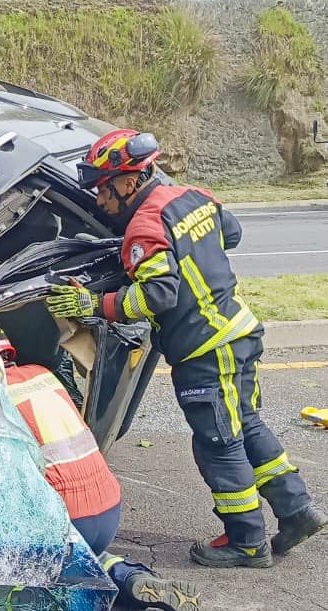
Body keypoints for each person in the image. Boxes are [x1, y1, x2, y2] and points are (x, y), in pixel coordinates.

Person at [45, 129, 327, 568]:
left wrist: (95, 304)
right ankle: (297, 510)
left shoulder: (143, 227)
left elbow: (157, 295)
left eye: (103, 189)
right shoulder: (194, 196)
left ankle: (247, 542)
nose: (100, 201)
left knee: (217, 442)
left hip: (205, 351)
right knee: (246, 425)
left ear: (127, 182)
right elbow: (229, 233)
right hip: (239, 333)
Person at [2, 356, 200, 611]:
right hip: (106, 508)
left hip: (62, 518)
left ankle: (33, 598)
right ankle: (129, 576)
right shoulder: (41, 374)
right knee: (79, 551)